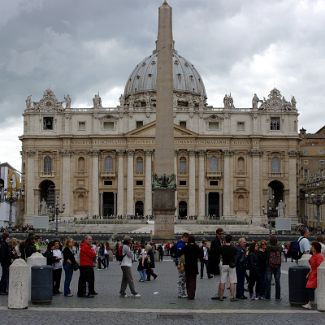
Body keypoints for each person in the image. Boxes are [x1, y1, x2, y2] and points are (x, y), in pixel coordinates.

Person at [302, 241, 324, 309]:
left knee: (310, 287)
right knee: (310, 287)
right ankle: (311, 302)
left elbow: (319, 266)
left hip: (316, 274)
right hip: (313, 273)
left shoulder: (319, 256)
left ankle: (310, 303)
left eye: (312, 246)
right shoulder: (314, 255)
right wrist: (309, 273)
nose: (311, 247)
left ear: (315, 248)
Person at [180, 235, 202, 300]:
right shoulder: (196, 247)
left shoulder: (186, 247)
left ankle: (189, 294)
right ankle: (192, 294)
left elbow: (180, 253)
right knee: (193, 281)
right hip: (194, 266)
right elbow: (200, 255)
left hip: (187, 266)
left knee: (188, 280)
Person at [218, 234, 238, 301]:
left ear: (225, 240)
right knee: (232, 281)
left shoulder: (221, 247)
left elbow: (220, 255)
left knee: (222, 281)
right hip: (231, 265)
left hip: (224, 264)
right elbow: (235, 256)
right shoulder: (234, 248)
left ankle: (221, 296)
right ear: (231, 240)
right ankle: (232, 296)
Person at [265, 235, 282, 300]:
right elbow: (280, 249)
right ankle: (277, 297)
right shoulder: (279, 246)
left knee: (268, 280)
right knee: (277, 281)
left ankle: (267, 296)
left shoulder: (268, 247)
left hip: (269, 265)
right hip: (277, 265)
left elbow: (267, 250)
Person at [209, 228, 224, 300]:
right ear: (217, 234)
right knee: (217, 278)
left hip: (218, 261)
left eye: (222, 234)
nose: (222, 235)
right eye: (220, 234)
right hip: (216, 262)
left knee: (220, 278)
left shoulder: (218, 241)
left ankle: (219, 293)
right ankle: (216, 294)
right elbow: (214, 253)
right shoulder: (215, 241)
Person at [175, 232, 189, 298]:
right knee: (181, 278)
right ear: (184, 237)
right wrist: (182, 265)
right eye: (187, 239)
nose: (187, 240)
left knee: (183, 279)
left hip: (181, 263)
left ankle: (182, 292)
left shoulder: (182, 243)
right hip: (181, 263)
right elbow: (181, 255)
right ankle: (180, 293)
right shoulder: (180, 244)